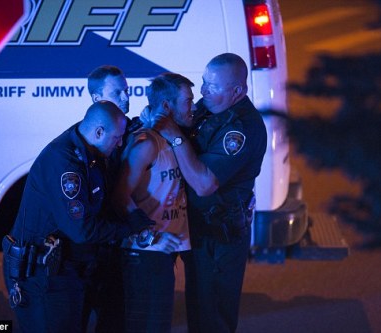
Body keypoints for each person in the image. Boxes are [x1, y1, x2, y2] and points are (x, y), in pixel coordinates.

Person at [2, 101, 155, 333]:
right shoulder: (66, 163)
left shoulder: (88, 147)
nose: (120, 143)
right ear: (99, 132)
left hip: (65, 269)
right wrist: (129, 226)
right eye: (117, 138)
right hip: (43, 276)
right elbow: (81, 230)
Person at [154, 53, 267, 332]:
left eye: (213, 87)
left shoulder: (241, 130)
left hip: (220, 238)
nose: (203, 92)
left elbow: (204, 184)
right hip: (200, 231)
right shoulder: (211, 107)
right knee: (197, 310)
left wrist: (175, 137)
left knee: (212, 318)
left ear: (237, 91)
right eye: (204, 83)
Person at [113, 73, 195, 332]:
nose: (193, 107)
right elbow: (118, 197)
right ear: (167, 106)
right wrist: (152, 236)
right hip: (144, 256)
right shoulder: (147, 144)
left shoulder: (175, 138)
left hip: (161, 254)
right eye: (187, 101)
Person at [84, 65, 143, 332]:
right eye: (118, 92)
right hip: (95, 248)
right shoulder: (89, 141)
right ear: (98, 99)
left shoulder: (134, 130)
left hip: (118, 246)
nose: (126, 97)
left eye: (127, 90)